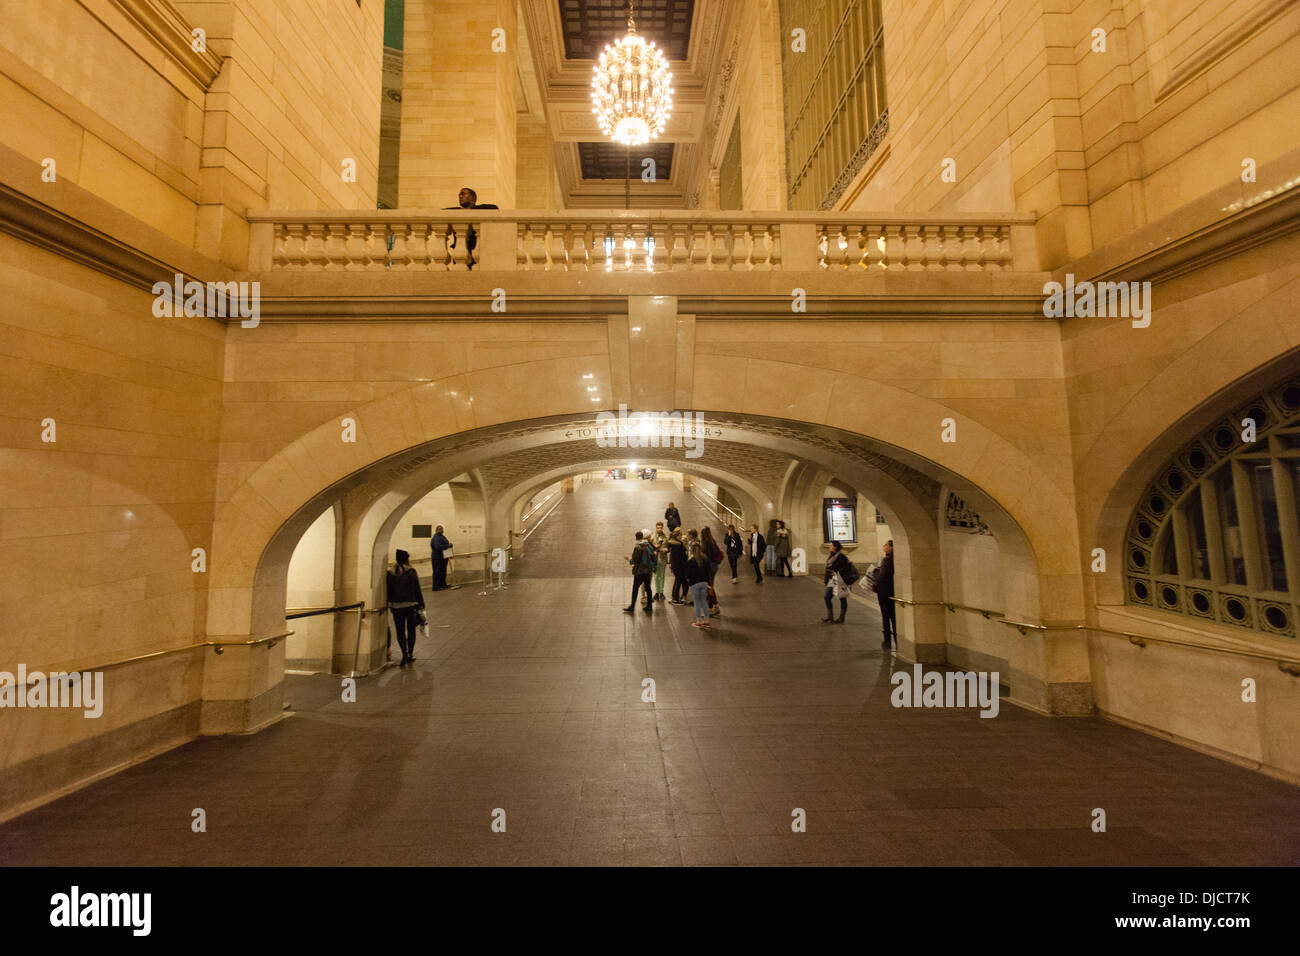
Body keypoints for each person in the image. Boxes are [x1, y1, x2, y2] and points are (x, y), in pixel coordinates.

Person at [443, 187, 499, 270]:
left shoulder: (480, 209)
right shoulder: (456, 211)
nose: (460, 196)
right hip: (460, 249)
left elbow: (494, 208)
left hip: (476, 249)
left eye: (463, 194)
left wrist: (469, 209)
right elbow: (442, 212)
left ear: (473, 197)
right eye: (459, 195)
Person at [385, 549, 425, 667]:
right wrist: (421, 604)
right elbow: (417, 589)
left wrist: (390, 604)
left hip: (396, 607)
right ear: (406, 559)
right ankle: (410, 654)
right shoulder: (411, 571)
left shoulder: (390, 573)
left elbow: (388, 591)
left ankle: (404, 653)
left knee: (400, 631)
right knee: (411, 630)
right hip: (410, 606)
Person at [624, 531, 656, 614]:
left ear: (636, 537)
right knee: (648, 588)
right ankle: (649, 606)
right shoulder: (648, 545)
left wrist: (629, 559)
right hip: (648, 571)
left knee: (635, 588)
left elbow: (635, 560)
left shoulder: (638, 546)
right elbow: (653, 554)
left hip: (640, 571)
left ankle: (632, 606)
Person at [822, 541, 852, 624]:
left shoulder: (841, 556)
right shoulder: (831, 555)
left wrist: (836, 571)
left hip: (839, 580)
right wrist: (826, 579)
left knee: (841, 597)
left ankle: (841, 618)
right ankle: (830, 617)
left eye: (831, 545)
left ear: (835, 547)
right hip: (832, 580)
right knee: (827, 597)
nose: (830, 546)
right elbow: (828, 568)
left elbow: (846, 568)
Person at [685, 543, 712, 629]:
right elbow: (709, 571)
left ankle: (699, 621)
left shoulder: (691, 560)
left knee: (696, 602)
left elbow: (687, 574)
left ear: (692, 550)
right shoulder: (706, 559)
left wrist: (688, 579)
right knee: (704, 601)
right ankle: (707, 620)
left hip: (694, 583)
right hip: (704, 583)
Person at [877, 539, 897, 648]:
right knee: (894, 617)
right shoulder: (896, 559)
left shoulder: (887, 560)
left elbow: (882, 577)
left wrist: (875, 585)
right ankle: (898, 640)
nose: (884, 546)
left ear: (891, 547)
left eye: (886, 545)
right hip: (893, 591)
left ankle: (887, 641)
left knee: (886, 616)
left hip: (884, 592)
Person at [648, 521, 669, 602]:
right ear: (656, 528)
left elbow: (667, 548)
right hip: (655, 560)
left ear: (662, 528)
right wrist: (654, 549)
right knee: (656, 576)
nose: (659, 529)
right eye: (658, 528)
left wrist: (660, 549)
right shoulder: (652, 537)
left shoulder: (665, 537)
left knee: (662, 576)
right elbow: (650, 547)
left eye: (660, 528)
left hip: (663, 559)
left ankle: (661, 592)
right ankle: (657, 592)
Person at [668, 529, 688, 604]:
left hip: (676, 566)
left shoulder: (673, 544)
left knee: (676, 581)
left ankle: (674, 596)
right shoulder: (678, 544)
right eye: (680, 535)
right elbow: (680, 557)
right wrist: (685, 564)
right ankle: (676, 599)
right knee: (678, 582)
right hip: (680, 566)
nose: (681, 536)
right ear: (678, 536)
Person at [430, 525, 452, 590]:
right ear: (436, 530)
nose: (441, 530)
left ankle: (443, 585)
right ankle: (436, 587)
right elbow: (438, 547)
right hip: (437, 557)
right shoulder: (436, 537)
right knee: (437, 572)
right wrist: (448, 545)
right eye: (439, 529)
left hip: (443, 557)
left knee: (443, 572)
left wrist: (449, 545)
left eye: (442, 529)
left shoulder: (442, 537)